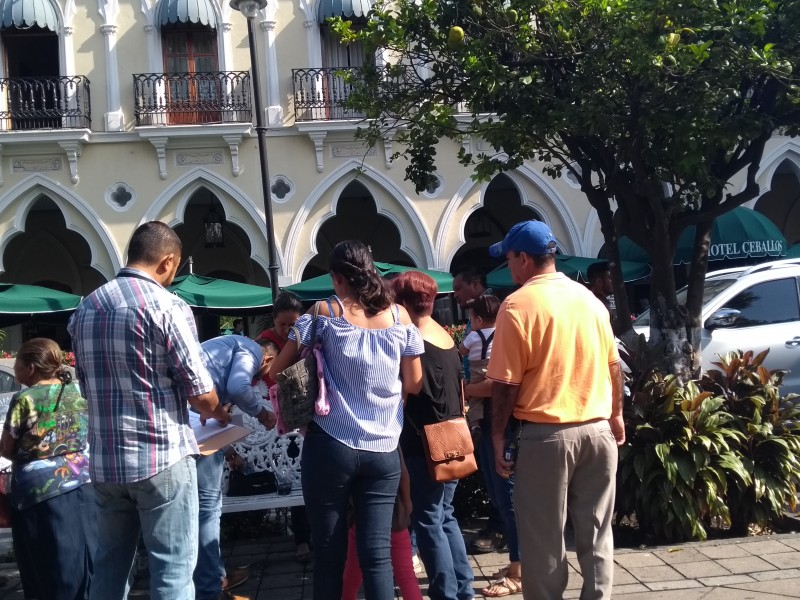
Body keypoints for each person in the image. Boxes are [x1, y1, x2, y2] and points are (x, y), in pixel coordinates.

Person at [68, 221, 231, 600]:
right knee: (172, 571)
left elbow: (87, 386)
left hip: (107, 462)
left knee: (110, 567)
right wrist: (220, 413)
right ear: (168, 262)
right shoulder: (167, 305)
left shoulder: (86, 307)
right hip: (161, 457)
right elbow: (200, 395)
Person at [268, 240, 423, 600]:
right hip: (384, 451)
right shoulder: (400, 317)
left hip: (331, 445)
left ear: (337, 278)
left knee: (329, 554)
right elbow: (414, 381)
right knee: (376, 557)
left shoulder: (324, 312)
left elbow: (277, 370)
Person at [486, 220, 625, 600]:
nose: (508, 268)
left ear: (525, 260)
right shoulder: (589, 300)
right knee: (597, 534)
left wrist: (497, 436)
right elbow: (614, 366)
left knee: (544, 539)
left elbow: (506, 385)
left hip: (546, 435)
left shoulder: (517, 306)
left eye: (510, 259)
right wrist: (616, 414)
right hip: (597, 429)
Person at [392, 271, 474, 600]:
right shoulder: (445, 336)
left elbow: (404, 395)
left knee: (427, 519)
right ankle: (463, 589)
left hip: (425, 443)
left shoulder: (412, 341)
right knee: (445, 515)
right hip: (454, 437)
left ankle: (445, 594)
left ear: (401, 302)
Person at [0, 338, 96, 600]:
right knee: (84, 557)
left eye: (17, 362)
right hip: (84, 480)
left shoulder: (25, 399)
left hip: (40, 491)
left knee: (45, 563)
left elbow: (7, 449)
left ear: (30, 367)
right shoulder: (78, 391)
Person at [195, 335, 278, 600]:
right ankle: (213, 586)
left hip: (191, 420)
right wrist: (262, 413)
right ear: (267, 358)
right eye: (268, 368)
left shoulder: (223, 347)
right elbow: (240, 386)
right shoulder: (251, 349)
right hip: (194, 424)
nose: (262, 376)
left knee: (197, 509)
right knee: (207, 509)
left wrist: (228, 450)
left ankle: (212, 577)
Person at [257, 291, 313, 563]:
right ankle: (302, 538)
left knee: (309, 477)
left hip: (307, 416)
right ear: (274, 322)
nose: (288, 330)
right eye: (283, 325)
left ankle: (313, 535)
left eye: (293, 324)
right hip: (281, 421)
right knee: (294, 478)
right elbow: (264, 379)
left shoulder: (310, 337)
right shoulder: (265, 344)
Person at [452, 268, 505, 554]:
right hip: (489, 401)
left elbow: (460, 352)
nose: (456, 295)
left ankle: (503, 530)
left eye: (459, 288)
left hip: (493, 404)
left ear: (475, 283)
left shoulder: (477, 331)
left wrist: (466, 390)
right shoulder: (497, 325)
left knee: (499, 475)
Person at [341, 449, 421, 600]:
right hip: (395, 515)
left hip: (363, 517)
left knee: (351, 577)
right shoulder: (389, 434)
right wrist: (407, 501)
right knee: (406, 575)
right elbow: (403, 471)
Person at [458, 295, 500, 439]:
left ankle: (475, 425)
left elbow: (462, 350)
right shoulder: (500, 333)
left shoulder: (473, 336)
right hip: (494, 366)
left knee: (475, 399)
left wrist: (467, 339)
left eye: (471, 319)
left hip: (476, 368)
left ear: (479, 320)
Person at [586, 261, 617, 329]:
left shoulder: (593, 300)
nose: (615, 281)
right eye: (610, 278)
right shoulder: (594, 303)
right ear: (599, 281)